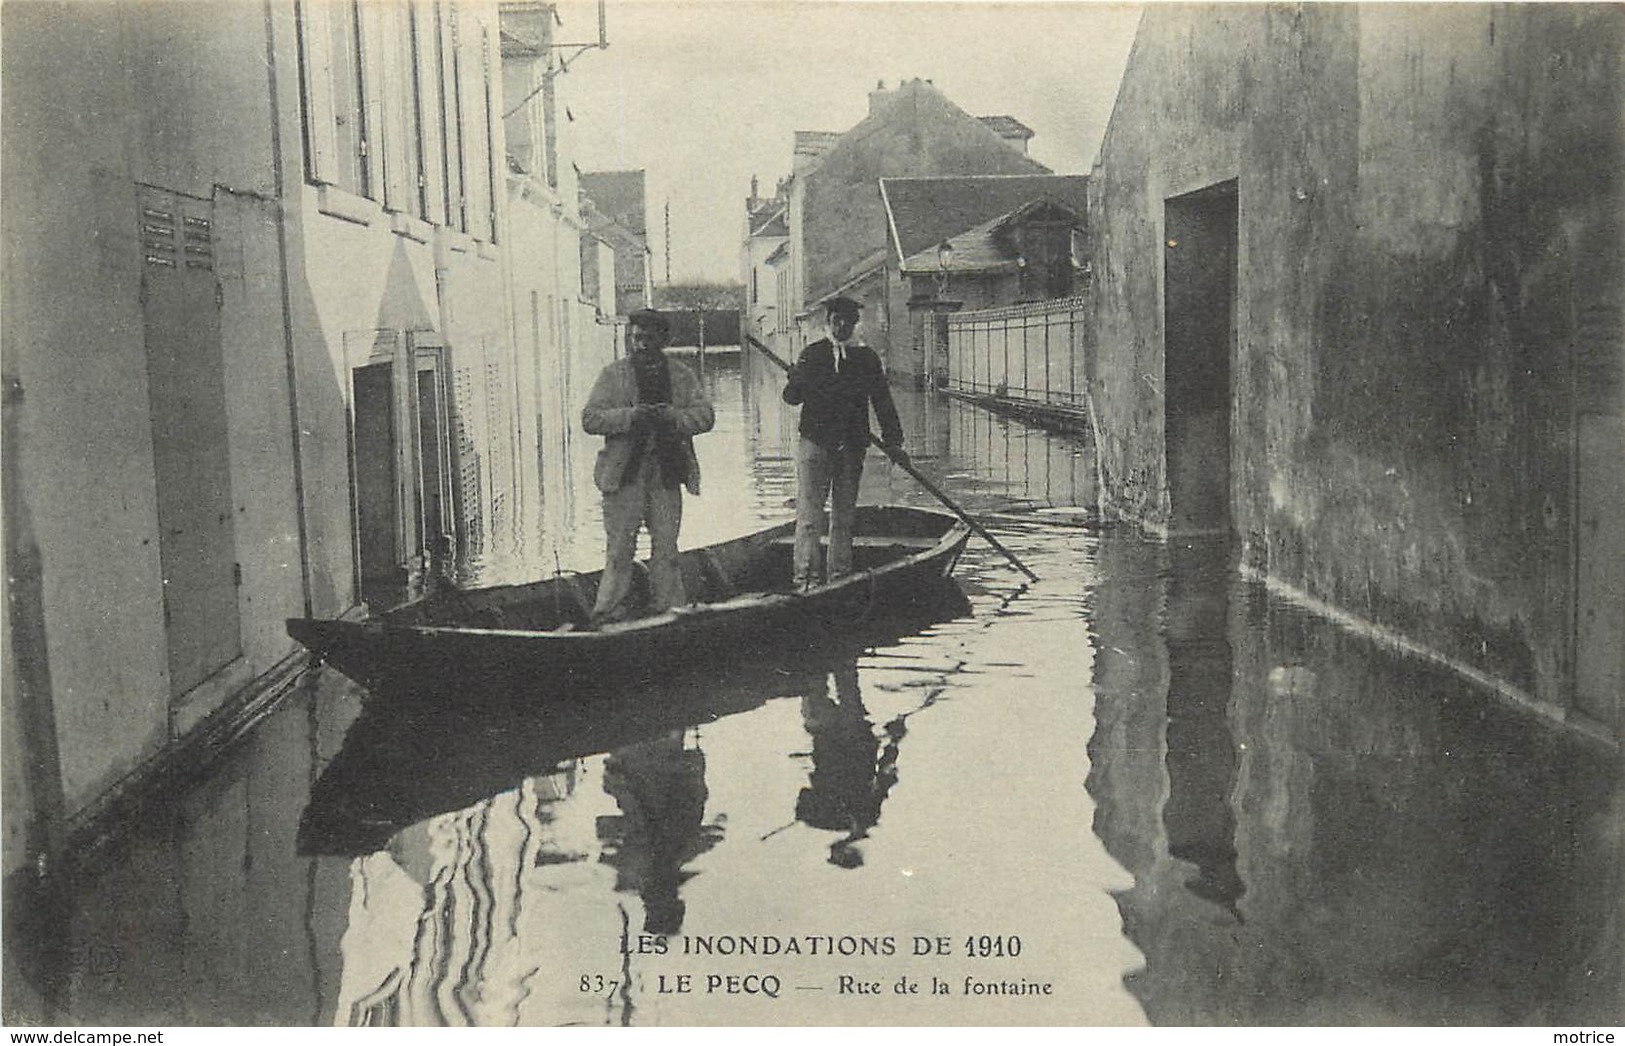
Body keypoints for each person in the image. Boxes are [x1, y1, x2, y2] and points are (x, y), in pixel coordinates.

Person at [582, 309, 714, 625]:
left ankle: (667, 610)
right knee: (618, 550)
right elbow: (590, 419)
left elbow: (706, 416)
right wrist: (631, 417)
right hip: (623, 475)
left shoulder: (682, 376)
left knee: (667, 548)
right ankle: (609, 613)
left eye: (649, 338)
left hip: (667, 473)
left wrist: (674, 417)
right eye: (636, 337)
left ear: (663, 340)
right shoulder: (613, 375)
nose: (641, 344)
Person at [781, 296, 906, 592]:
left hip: (851, 447)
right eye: (836, 321)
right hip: (815, 446)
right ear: (829, 322)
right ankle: (805, 580)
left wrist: (894, 441)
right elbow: (791, 398)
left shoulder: (867, 359)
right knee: (809, 516)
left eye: (847, 322)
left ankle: (839, 577)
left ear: (854, 324)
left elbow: (883, 403)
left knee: (843, 516)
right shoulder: (812, 355)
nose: (841, 326)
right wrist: (796, 380)